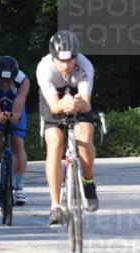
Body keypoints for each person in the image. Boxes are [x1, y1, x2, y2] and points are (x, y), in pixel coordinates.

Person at [36, 30, 99, 226]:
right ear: (53, 57)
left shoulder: (85, 65)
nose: (66, 65)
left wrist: (77, 104)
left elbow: (87, 104)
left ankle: (88, 182)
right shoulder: (44, 68)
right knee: (54, 144)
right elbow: (54, 107)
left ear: (76, 56)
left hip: (78, 100)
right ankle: (55, 206)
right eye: (61, 61)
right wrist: (64, 104)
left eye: (70, 60)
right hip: (54, 99)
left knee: (85, 140)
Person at [0, 55, 31, 205]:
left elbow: (19, 100)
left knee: (17, 141)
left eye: (8, 81)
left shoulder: (24, 81)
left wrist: (15, 115)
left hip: (14, 105)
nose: (5, 84)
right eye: (1, 80)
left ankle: (20, 187)